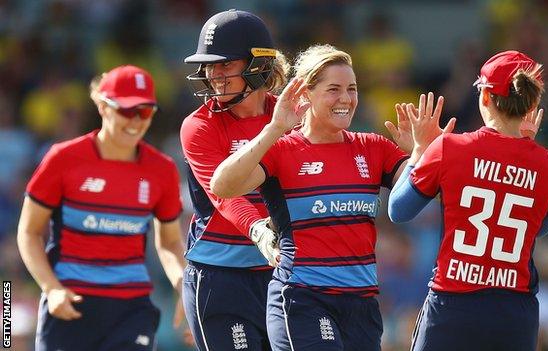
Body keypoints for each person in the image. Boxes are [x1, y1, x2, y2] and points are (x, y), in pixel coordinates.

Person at [210, 44, 455, 351]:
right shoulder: (283, 150)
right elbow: (222, 185)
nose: (346, 99)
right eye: (334, 89)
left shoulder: (374, 148)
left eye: (352, 89)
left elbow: (422, 192)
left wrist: (423, 152)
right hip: (303, 298)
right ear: (305, 94)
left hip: (361, 303)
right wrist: (275, 128)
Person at [387, 50, 548, 351]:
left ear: (484, 98)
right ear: (532, 103)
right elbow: (542, 227)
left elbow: (398, 210)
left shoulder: (449, 148)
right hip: (514, 315)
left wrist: (419, 151)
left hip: (454, 307)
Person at [17, 65, 188, 350]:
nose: (135, 121)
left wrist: (184, 285)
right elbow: (28, 232)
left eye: (144, 111)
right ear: (102, 106)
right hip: (70, 305)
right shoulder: (63, 158)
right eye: (126, 110)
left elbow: (169, 242)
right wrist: (51, 288)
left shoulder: (163, 170)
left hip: (132, 309)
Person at [179, 9, 290, 351]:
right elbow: (224, 195)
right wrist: (258, 229)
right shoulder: (198, 125)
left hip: (282, 271)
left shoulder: (292, 117)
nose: (214, 75)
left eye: (225, 64)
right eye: (210, 65)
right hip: (220, 277)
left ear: (258, 65)